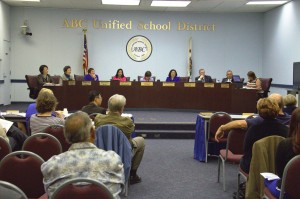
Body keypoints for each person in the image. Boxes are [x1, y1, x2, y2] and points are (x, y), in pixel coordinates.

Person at [41, 111, 124, 199]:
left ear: (66, 136)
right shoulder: (113, 160)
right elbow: (120, 189)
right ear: (92, 132)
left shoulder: (51, 166)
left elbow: (49, 193)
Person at [94, 94, 145, 185]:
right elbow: (130, 134)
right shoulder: (127, 121)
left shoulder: (98, 118)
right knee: (141, 140)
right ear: (121, 108)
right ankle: (132, 175)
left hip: (103, 150)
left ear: (108, 106)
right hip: (122, 152)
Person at [215, 93, 291, 142]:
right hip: (280, 161)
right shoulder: (291, 120)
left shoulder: (259, 121)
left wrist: (222, 127)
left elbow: (239, 124)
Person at [240, 98, 288, 174]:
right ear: (277, 110)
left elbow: (246, 149)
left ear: (259, 111)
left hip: (254, 167)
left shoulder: (254, 129)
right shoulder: (285, 130)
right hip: (278, 168)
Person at [265, 108, 300, 198]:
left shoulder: (285, 144)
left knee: (267, 181)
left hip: (289, 193)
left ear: (292, 124)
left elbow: (281, 173)